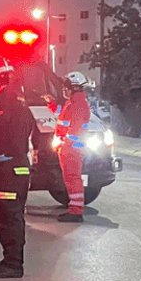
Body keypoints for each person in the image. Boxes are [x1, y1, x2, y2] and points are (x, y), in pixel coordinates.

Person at [0, 59, 37, 278]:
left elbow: (9, 137)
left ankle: (13, 264)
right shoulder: (16, 100)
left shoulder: (8, 101)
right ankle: (10, 259)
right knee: (5, 214)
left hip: (10, 168)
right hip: (13, 167)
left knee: (9, 215)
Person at [56, 71, 92, 223]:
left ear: (75, 87)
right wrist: (51, 105)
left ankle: (76, 211)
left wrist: (66, 144)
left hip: (72, 149)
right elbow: (63, 118)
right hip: (69, 148)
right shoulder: (73, 103)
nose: (65, 90)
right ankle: (74, 208)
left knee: (73, 178)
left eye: (68, 87)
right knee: (71, 179)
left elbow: (75, 128)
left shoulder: (78, 104)